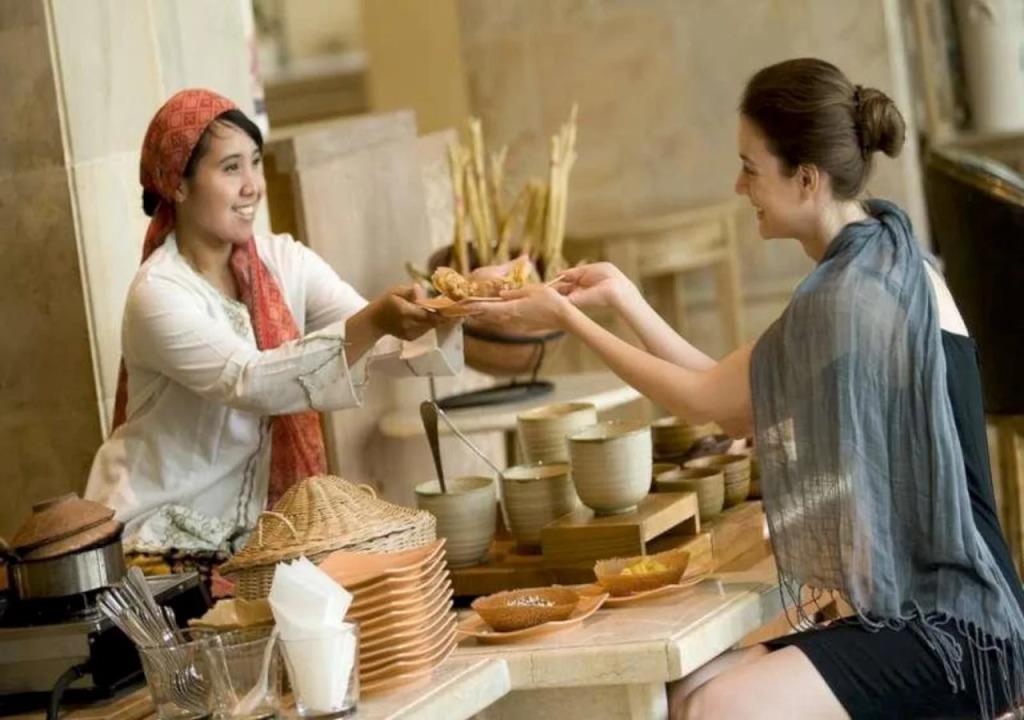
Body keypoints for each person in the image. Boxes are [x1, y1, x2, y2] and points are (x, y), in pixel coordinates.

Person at [468, 59, 1024, 719]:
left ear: (806, 178)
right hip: (935, 613)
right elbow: (723, 392)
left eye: (751, 169)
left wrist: (567, 320)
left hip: (959, 633)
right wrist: (622, 299)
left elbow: (712, 407)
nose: (740, 186)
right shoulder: (884, 255)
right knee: (685, 691)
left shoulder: (849, 295)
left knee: (715, 707)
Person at [85, 89, 459, 564]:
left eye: (256, 163)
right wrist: (376, 321)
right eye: (231, 168)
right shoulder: (159, 294)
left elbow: (382, 342)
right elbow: (251, 381)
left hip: (251, 541)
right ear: (178, 184)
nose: (252, 186)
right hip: (159, 543)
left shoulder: (284, 261)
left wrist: (463, 304)